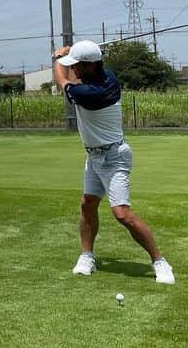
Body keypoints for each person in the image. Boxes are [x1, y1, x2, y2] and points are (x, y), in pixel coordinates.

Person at [52, 41, 175, 284]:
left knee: (122, 214)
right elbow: (77, 76)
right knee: (87, 204)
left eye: (77, 65)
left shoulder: (90, 93)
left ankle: (160, 262)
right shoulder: (106, 76)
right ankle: (87, 256)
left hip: (113, 156)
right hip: (94, 156)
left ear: (90, 66)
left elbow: (62, 81)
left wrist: (58, 57)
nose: (73, 68)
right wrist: (73, 53)